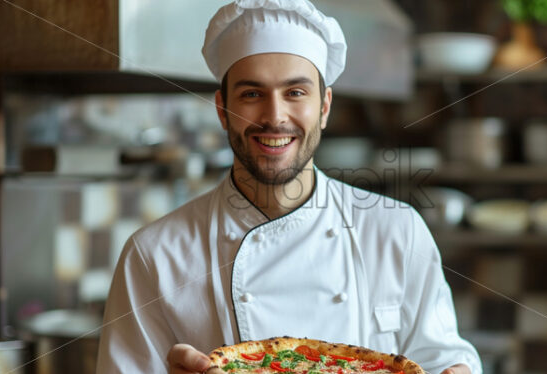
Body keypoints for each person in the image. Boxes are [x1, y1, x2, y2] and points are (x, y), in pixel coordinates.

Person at [96, 1, 481, 373]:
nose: (275, 117)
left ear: (325, 106)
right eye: (251, 94)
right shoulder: (154, 257)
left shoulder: (397, 230)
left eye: (296, 92)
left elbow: (441, 357)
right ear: (221, 110)